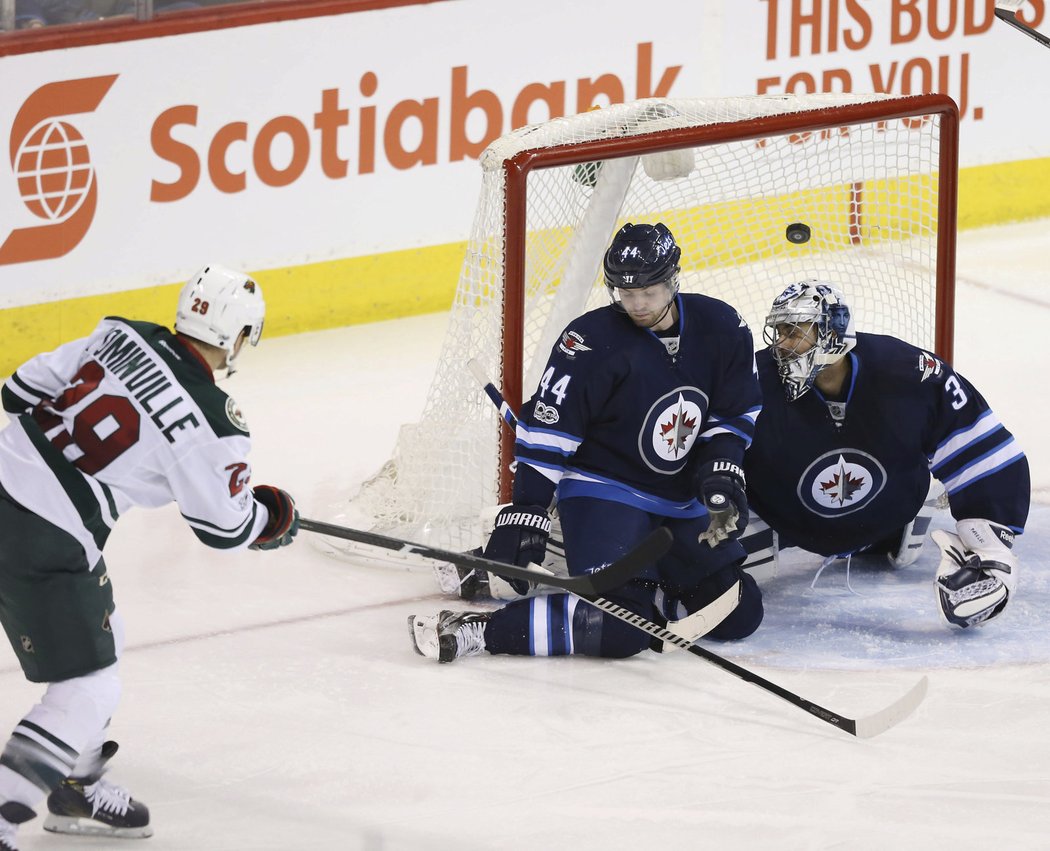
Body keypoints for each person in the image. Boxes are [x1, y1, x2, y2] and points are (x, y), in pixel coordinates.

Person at [0, 265, 299, 850]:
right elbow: (223, 527)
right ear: (238, 338)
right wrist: (272, 516)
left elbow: (16, 391)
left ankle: (76, 786)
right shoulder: (216, 422)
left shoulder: (121, 331)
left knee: (97, 645)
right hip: (45, 537)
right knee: (89, 686)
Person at [408, 222, 765, 663]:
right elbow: (547, 433)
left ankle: (581, 561)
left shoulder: (722, 325)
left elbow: (734, 412)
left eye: (648, 292)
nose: (636, 304)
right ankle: (481, 630)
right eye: (623, 293)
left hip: (678, 496)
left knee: (738, 615)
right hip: (606, 488)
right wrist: (528, 509)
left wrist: (721, 466)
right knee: (621, 628)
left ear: (673, 279)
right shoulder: (588, 340)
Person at [740, 279, 1030, 629]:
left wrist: (991, 543)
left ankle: (910, 511)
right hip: (787, 521)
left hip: (891, 514)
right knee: (740, 559)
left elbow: (977, 443)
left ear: (833, 331)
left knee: (904, 550)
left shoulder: (908, 372)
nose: (783, 345)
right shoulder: (750, 379)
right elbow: (712, 449)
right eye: (780, 332)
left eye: (795, 331)